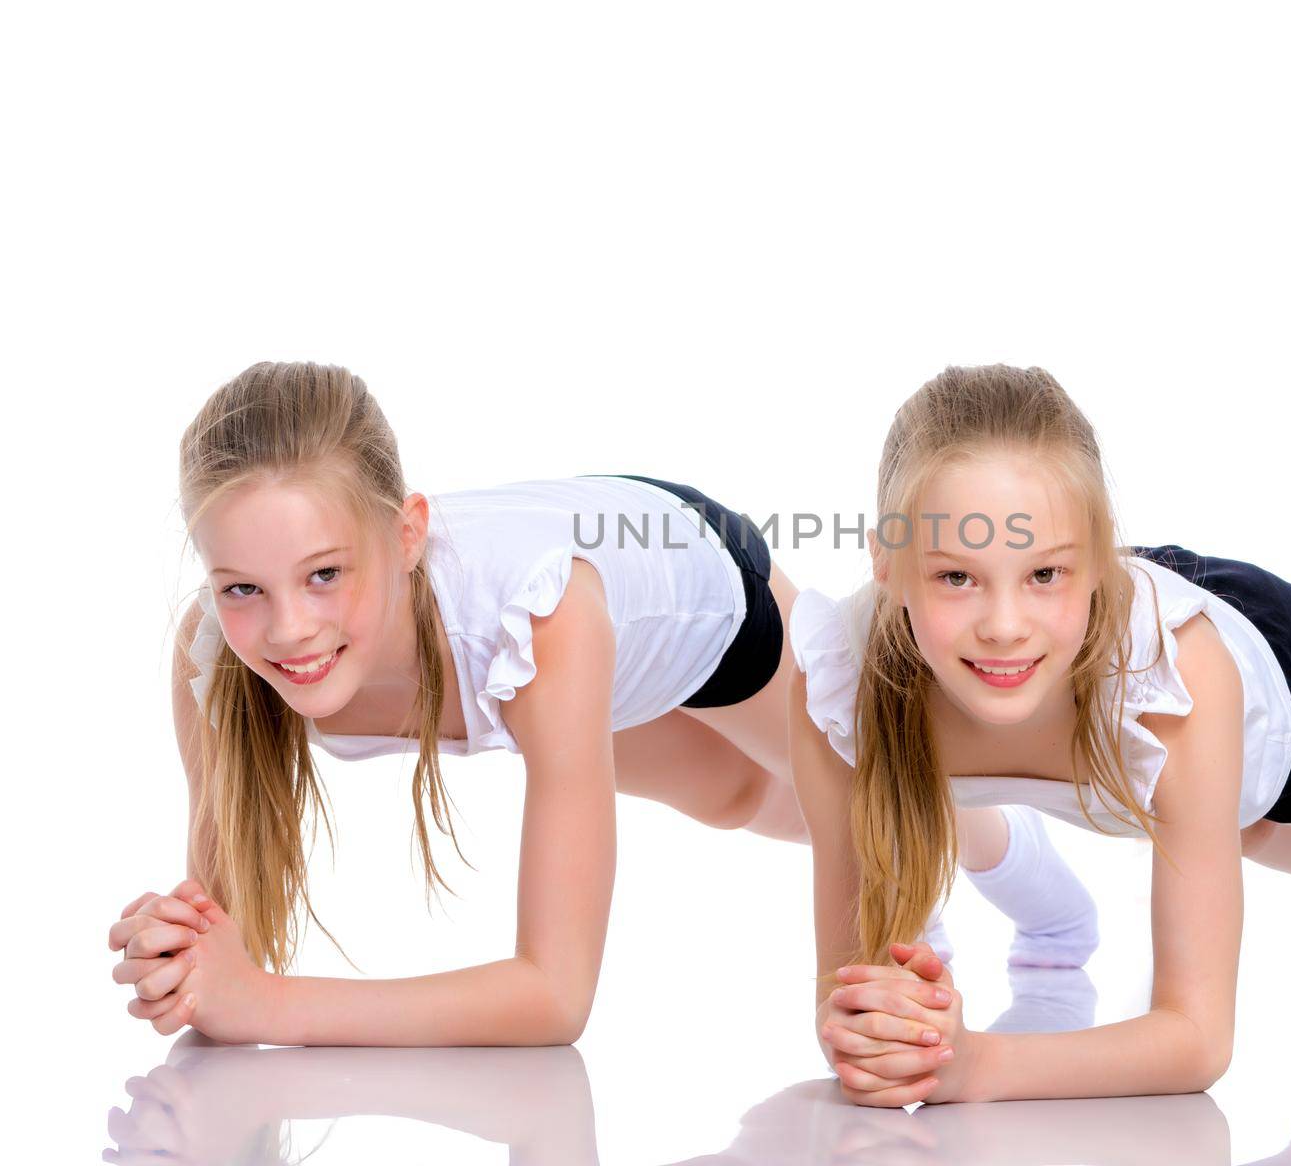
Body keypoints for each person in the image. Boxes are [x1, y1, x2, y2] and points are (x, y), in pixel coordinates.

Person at [108, 360, 1094, 1046]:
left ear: (406, 533)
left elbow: (553, 995)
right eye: (243, 586)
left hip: (695, 583)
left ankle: (1051, 907)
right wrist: (178, 955)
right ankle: (913, 870)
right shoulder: (213, 659)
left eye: (325, 572)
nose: (286, 627)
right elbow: (221, 945)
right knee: (736, 800)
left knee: (875, 787)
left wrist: (269, 1002)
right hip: (564, 634)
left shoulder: (541, 615)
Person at [790, 363, 1291, 1105]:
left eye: (1044, 573)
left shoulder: (1178, 676)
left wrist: (979, 1065)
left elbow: (1197, 1038)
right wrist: (887, 1035)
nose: (1002, 627)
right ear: (886, 563)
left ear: (1093, 562)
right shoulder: (841, 683)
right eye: (956, 578)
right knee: (1242, 837)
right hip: (1109, 665)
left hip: (1266, 671)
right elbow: (844, 997)